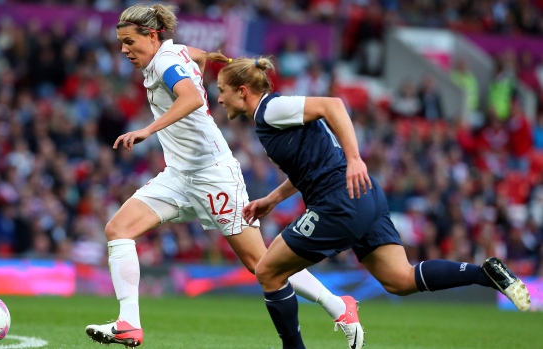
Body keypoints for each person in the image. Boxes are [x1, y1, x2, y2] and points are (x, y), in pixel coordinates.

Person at [206, 53, 532, 349]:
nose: (218, 97)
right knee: (400, 279)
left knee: (267, 272)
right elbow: (310, 165)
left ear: (243, 91)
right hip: (364, 195)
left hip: (339, 201)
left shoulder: (271, 109)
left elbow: (333, 104)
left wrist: (354, 158)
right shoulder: (273, 118)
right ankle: (484, 274)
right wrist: (273, 199)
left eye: (222, 89)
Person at [85, 4, 361, 348]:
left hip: (212, 175)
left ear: (152, 36)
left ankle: (339, 305)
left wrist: (148, 130)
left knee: (259, 263)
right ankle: (129, 323)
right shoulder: (174, 53)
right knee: (118, 229)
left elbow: (188, 97)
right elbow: (197, 55)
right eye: (121, 43)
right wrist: (209, 59)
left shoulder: (167, 63)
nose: (124, 49)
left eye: (129, 42)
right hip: (179, 175)